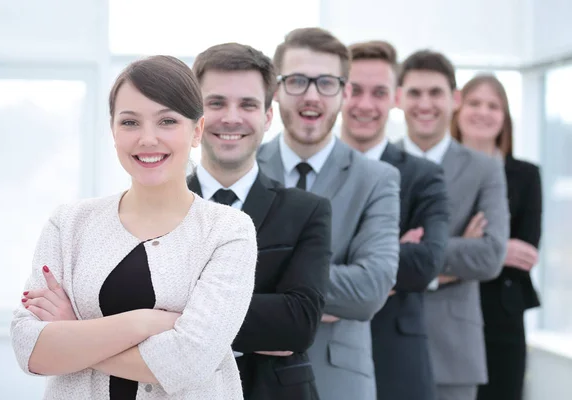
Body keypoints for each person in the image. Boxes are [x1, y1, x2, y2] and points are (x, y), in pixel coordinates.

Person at [10, 55, 258, 400]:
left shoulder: (228, 231)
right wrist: (145, 322)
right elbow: (29, 348)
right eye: (130, 123)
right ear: (113, 131)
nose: (147, 139)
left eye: (167, 121)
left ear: (197, 131)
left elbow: (190, 362)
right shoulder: (68, 224)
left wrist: (73, 334)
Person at [257, 27, 401, 400]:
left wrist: (266, 282)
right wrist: (314, 296)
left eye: (326, 83)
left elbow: (370, 289)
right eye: (297, 81)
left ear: (345, 91)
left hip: (339, 381)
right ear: (276, 88)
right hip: (245, 376)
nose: (311, 95)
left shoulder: (377, 179)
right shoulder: (244, 168)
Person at [188, 42, 333, 400]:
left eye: (248, 104)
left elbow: (298, 324)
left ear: (268, 116)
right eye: (216, 102)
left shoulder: (307, 211)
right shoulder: (155, 207)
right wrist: (263, 319)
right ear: (194, 113)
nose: (231, 118)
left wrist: (174, 317)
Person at [396, 50, 510, 400]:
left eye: (436, 93)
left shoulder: (484, 168)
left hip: (453, 349)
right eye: (415, 93)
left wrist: (405, 255)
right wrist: (455, 249)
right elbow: (359, 251)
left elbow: (491, 255)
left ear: (455, 99)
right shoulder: (378, 163)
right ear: (399, 97)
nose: (425, 104)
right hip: (379, 339)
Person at [340, 40, 450, 400]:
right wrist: (381, 262)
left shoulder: (423, 176)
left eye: (379, 92)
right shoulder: (303, 172)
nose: (365, 105)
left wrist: (326, 263)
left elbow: (426, 263)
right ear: (339, 92)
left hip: (396, 360)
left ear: (396, 98)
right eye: (354, 90)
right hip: (313, 357)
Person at [451, 74, 542, 400]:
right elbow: (423, 248)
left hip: (503, 314)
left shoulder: (526, 174)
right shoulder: (434, 170)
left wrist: (474, 246)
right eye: (474, 103)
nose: (483, 112)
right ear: (457, 110)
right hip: (448, 306)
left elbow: (526, 255)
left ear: (504, 117)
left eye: (493, 105)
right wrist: (493, 249)